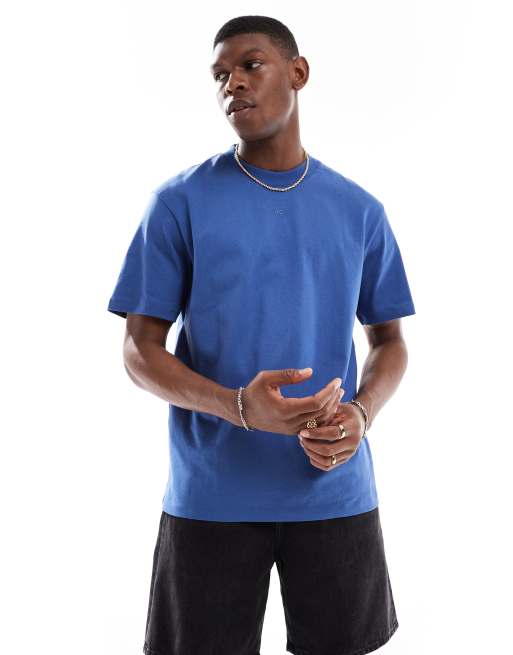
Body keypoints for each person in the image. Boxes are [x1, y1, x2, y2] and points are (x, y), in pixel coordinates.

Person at [107, 14, 416, 655]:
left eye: (250, 65)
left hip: (334, 492)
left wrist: (362, 412)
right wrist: (238, 406)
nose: (234, 84)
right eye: (220, 75)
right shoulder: (179, 203)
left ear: (298, 73)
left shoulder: (359, 210)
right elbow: (139, 351)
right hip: (212, 495)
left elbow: (389, 341)